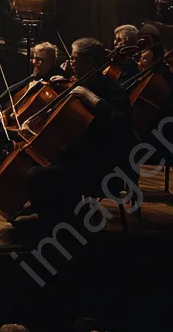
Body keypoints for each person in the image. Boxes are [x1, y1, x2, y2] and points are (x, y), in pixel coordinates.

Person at [25, 37, 135, 230]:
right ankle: (56, 217)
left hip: (101, 163)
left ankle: (63, 223)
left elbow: (121, 123)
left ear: (90, 62)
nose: (71, 62)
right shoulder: (79, 83)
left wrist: (92, 99)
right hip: (77, 154)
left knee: (39, 175)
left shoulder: (112, 89)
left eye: (75, 58)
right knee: (34, 165)